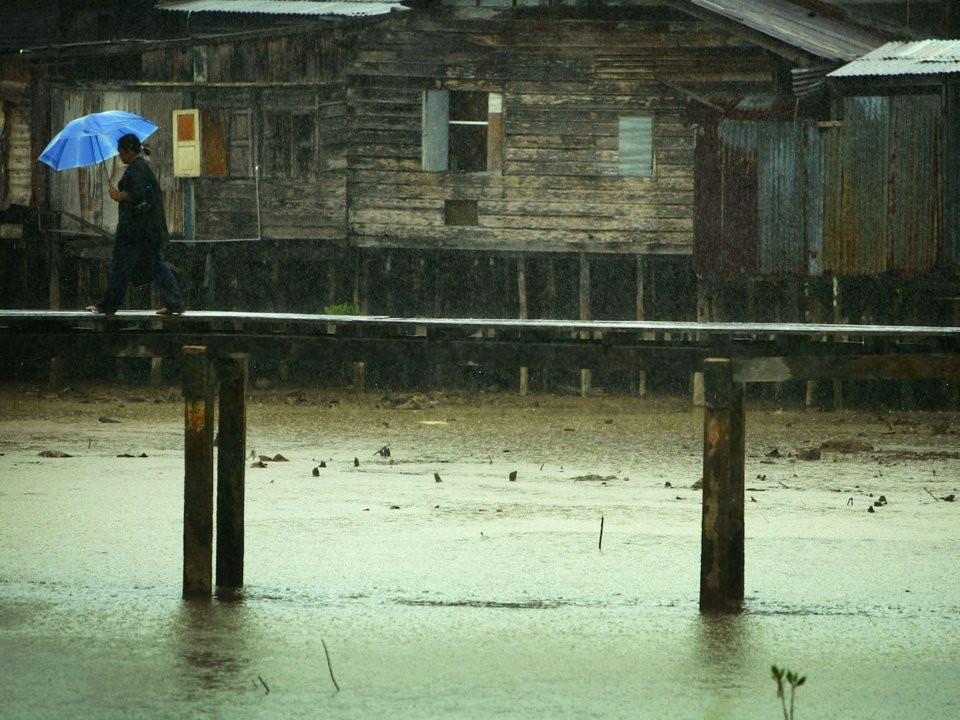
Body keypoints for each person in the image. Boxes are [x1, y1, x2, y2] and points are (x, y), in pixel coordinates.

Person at [86, 133, 184, 316]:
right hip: (143, 230)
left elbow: (137, 194)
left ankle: (108, 305)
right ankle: (174, 302)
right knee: (155, 265)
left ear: (130, 150)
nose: (120, 156)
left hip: (135, 231)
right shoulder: (139, 167)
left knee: (120, 266)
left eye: (121, 152)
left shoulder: (138, 168)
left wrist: (118, 196)